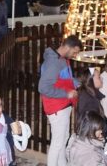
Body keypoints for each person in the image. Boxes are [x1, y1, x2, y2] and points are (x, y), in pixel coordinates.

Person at [39, 36, 82, 166]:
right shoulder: (54, 62)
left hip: (63, 105)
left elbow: (65, 78)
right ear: (67, 47)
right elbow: (43, 87)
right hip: (57, 107)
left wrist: (77, 83)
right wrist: (66, 93)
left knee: (63, 139)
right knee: (58, 143)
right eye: (74, 52)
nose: (75, 55)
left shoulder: (62, 59)